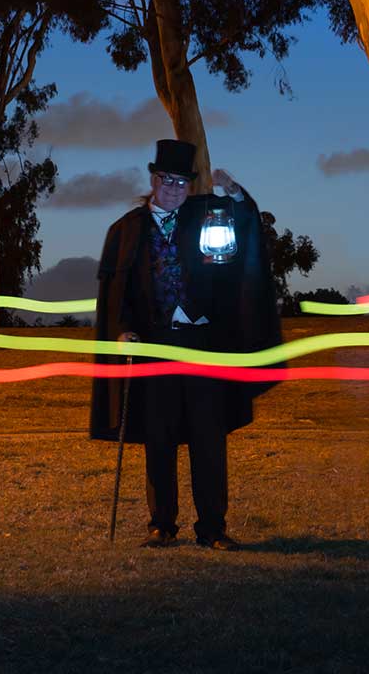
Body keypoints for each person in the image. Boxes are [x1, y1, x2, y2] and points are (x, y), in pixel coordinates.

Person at [88, 139, 281, 550]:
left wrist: (233, 188)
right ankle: (161, 524)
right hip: (157, 347)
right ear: (154, 180)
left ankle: (213, 528)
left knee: (208, 440)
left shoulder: (209, 214)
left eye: (182, 182)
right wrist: (123, 330)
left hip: (205, 346)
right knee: (159, 439)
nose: (175, 188)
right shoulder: (126, 230)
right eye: (167, 180)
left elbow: (250, 220)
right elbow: (116, 293)